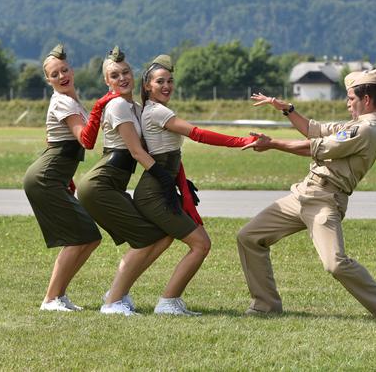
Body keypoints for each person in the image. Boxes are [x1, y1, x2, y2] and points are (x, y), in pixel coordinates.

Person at [237, 68, 376, 320]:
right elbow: (314, 130)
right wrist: (287, 109)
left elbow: (315, 147)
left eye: (351, 99)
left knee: (335, 263)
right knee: (249, 237)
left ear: (366, 100)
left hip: (325, 200)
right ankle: (265, 304)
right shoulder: (356, 125)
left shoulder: (366, 130)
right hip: (303, 193)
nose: (347, 104)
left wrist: (272, 144)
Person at [133, 54, 256, 315]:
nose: (166, 86)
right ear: (147, 86)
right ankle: (167, 301)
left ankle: (119, 294)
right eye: (159, 81)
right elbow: (197, 134)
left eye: (170, 81)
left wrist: (181, 182)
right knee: (201, 244)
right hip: (155, 191)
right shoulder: (157, 111)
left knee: (159, 242)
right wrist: (241, 141)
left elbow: (169, 155)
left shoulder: (151, 109)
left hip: (159, 187)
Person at [78, 46, 174, 316]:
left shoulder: (136, 106)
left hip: (110, 184)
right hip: (100, 186)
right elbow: (136, 151)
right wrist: (163, 177)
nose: (122, 78)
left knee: (159, 235)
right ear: (107, 82)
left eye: (126, 72)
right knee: (147, 238)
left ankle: (117, 293)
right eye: (115, 75)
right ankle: (112, 303)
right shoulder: (118, 105)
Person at [23, 44, 117, 312]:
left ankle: (58, 296)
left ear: (71, 70)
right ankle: (51, 299)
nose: (62, 76)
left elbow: (53, 140)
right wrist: (103, 103)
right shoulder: (63, 101)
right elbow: (86, 141)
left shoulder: (71, 101)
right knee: (80, 236)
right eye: (55, 74)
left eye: (64, 70)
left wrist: (68, 178)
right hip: (44, 178)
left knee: (90, 237)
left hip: (53, 176)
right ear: (48, 80)